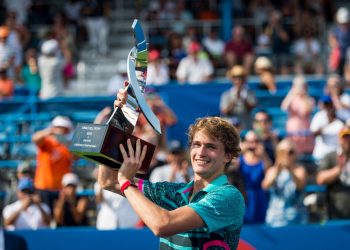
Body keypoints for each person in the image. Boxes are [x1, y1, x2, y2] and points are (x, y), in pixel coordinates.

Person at [99, 87, 244, 249]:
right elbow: (108, 181)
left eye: (211, 147)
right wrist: (121, 119)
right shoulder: (172, 192)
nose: (201, 152)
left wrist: (126, 182)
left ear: (228, 156)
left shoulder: (228, 196)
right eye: (196, 144)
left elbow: (162, 225)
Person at [32, 115, 74, 211]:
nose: (61, 131)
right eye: (59, 128)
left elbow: (76, 157)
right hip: (43, 187)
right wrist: (50, 131)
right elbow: (35, 138)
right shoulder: (46, 142)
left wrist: (66, 142)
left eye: (64, 129)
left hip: (61, 190)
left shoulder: (68, 146)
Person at [262, 139, 307, 227]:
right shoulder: (272, 170)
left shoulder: (299, 169)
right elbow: (265, 186)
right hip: (275, 219)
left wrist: (290, 170)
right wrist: (278, 169)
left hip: (297, 219)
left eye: (291, 152)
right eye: (283, 152)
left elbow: (300, 185)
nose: (287, 155)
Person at [316, 126, 350, 219]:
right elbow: (320, 179)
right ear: (339, 139)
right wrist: (339, 169)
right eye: (345, 137)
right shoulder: (331, 156)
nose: (348, 141)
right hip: (337, 214)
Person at [281, 75, 315, 155]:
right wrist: (292, 93)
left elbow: (306, 111)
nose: (300, 88)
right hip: (292, 129)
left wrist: (304, 96)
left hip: (304, 129)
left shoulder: (309, 99)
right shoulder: (291, 98)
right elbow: (284, 107)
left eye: (302, 86)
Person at [220, 65, 257, 130]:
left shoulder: (250, 93)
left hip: (246, 124)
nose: (238, 80)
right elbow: (224, 111)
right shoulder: (226, 94)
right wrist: (234, 100)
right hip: (231, 125)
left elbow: (252, 108)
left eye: (240, 78)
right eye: (235, 78)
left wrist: (243, 99)